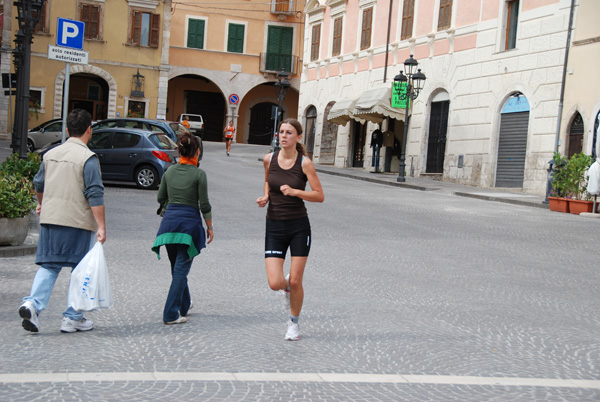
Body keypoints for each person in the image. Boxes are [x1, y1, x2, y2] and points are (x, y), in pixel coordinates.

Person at [19, 109, 106, 334]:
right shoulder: (88, 158)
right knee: (79, 269)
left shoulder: (50, 154)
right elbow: (94, 193)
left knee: (49, 265)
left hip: (50, 218)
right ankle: (72, 317)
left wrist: (41, 204)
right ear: (89, 130)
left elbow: (39, 184)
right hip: (76, 221)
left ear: (67, 130)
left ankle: (32, 305)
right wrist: (101, 226)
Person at [256, 118, 324, 341]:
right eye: (281, 132)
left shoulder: (305, 163)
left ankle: (293, 324)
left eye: (289, 133)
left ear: (298, 137)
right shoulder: (269, 159)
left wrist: (296, 192)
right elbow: (268, 181)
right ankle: (286, 288)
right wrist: (266, 196)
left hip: (298, 226)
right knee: (275, 283)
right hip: (274, 225)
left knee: (296, 280)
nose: (283, 136)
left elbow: (319, 195)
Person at [152, 133, 213, 325]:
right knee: (180, 270)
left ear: (179, 150)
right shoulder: (199, 174)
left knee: (177, 268)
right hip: (188, 228)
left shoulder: (169, 172)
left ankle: (184, 306)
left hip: (169, 225)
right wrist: (209, 226)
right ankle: (170, 314)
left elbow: (160, 197)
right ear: (197, 152)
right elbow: (204, 204)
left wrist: (172, 204)